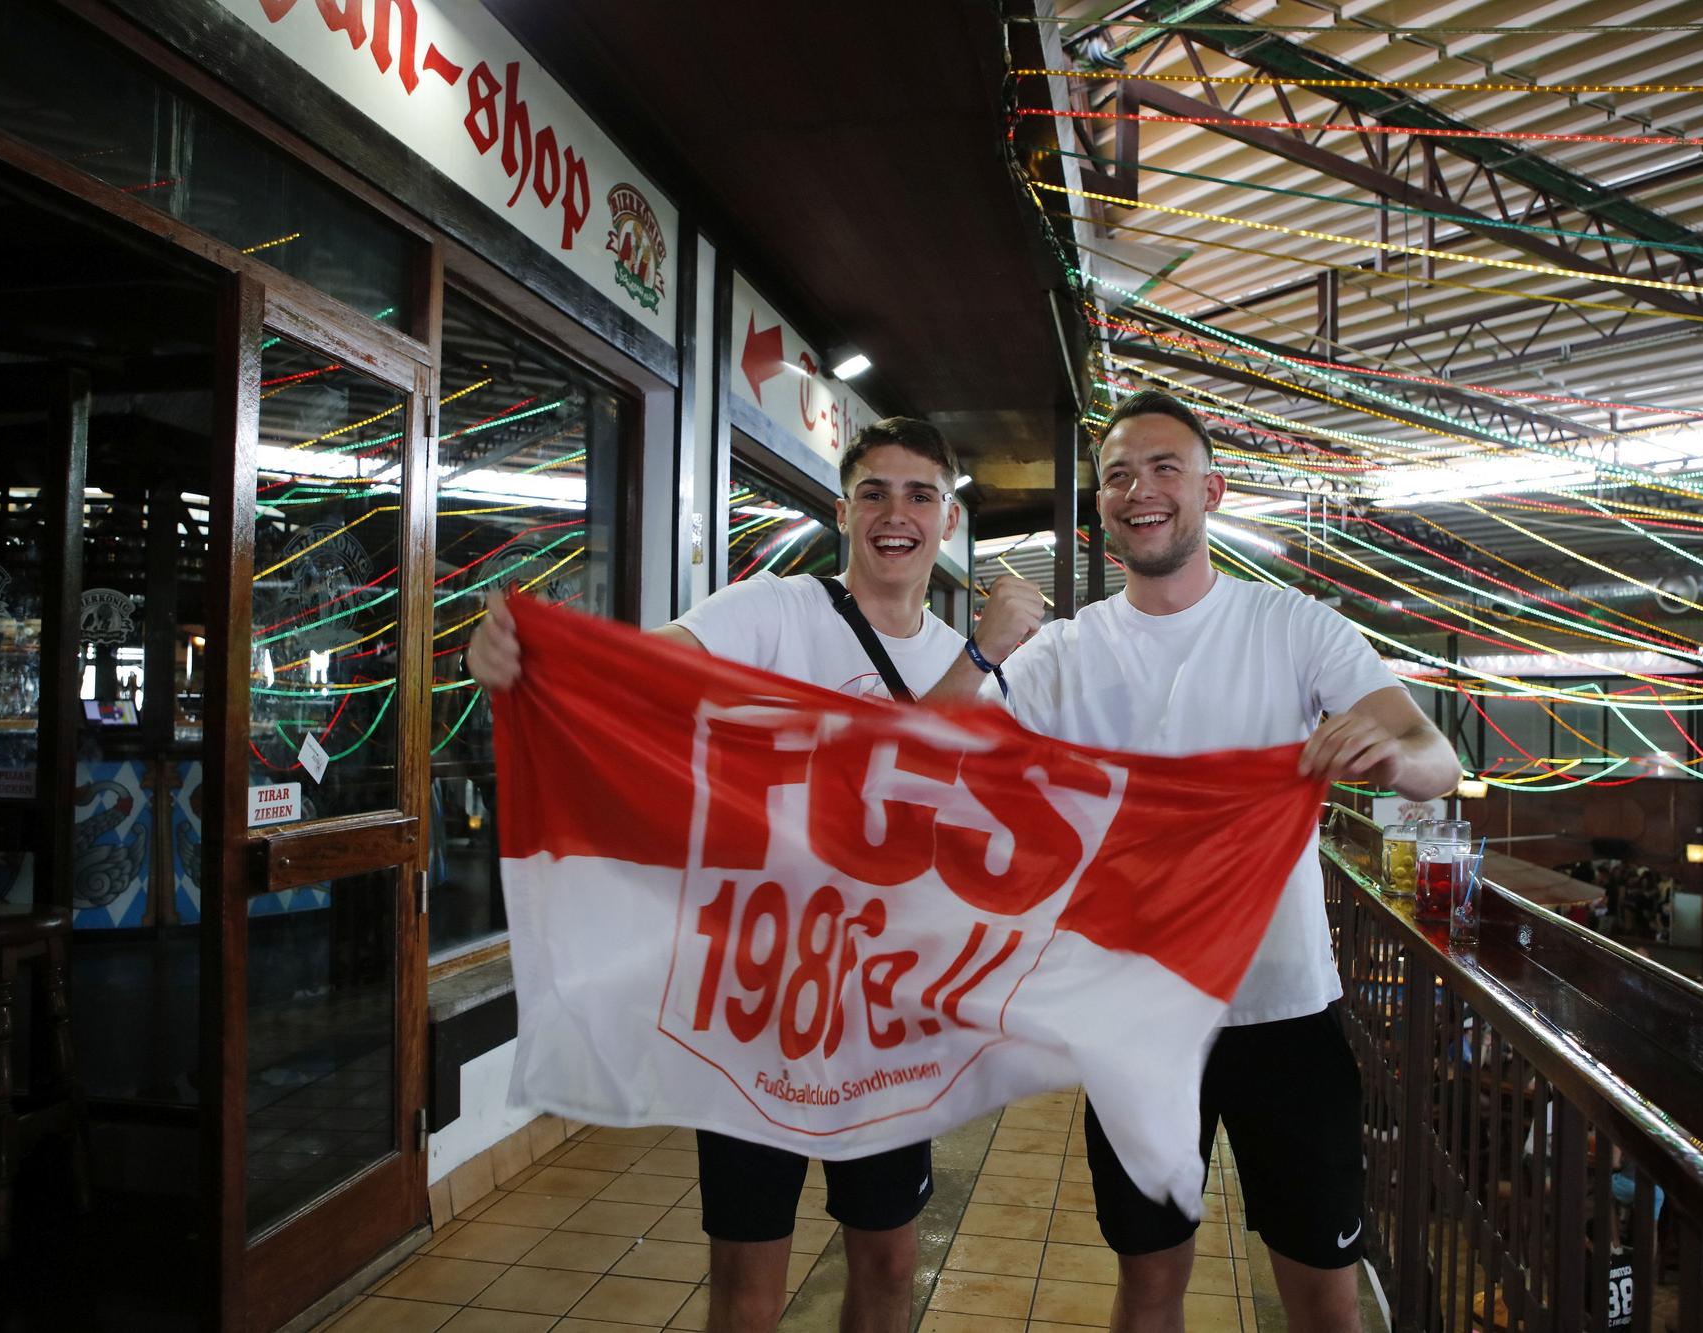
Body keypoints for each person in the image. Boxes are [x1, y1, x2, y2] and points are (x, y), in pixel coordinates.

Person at [927, 390, 1459, 1333]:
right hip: (1135, 1014)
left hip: (1282, 1005)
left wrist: (1385, 756)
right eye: (1119, 475)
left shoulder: (1296, 629)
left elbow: (1436, 760)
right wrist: (982, 650)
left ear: (1210, 489)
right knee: (1149, 1284)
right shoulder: (1063, 653)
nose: (1142, 489)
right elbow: (928, 758)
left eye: (1165, 467)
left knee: (1323, 1295)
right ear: (1101, 507)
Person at [468, 417, 979, 1333]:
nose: (894, 514)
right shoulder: (776, 613)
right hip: (759, 1006)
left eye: (918, 494)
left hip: (888, 1013)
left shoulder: (965, 663)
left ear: (947, 516)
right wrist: (530, 659)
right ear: (842, 510)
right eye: (873, 492)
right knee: (747, 1281)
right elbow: (642, 671)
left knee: (892, 1263)